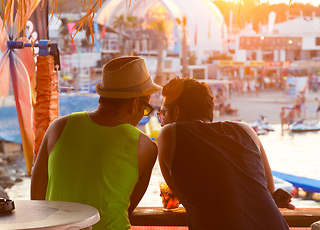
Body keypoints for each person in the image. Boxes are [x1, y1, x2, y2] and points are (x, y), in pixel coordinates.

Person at [31, 56, 162, 230]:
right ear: (135, 104)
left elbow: (36, 198)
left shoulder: (58, 127)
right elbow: (127, 207)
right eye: (146, 109)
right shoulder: (146, 147)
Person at [157, 77, 293, 230]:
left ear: (176, 112)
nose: (161, 122)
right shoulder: (246, 130)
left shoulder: (169, 134)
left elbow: (181, 194)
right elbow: (270, 192)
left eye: (163, 113)